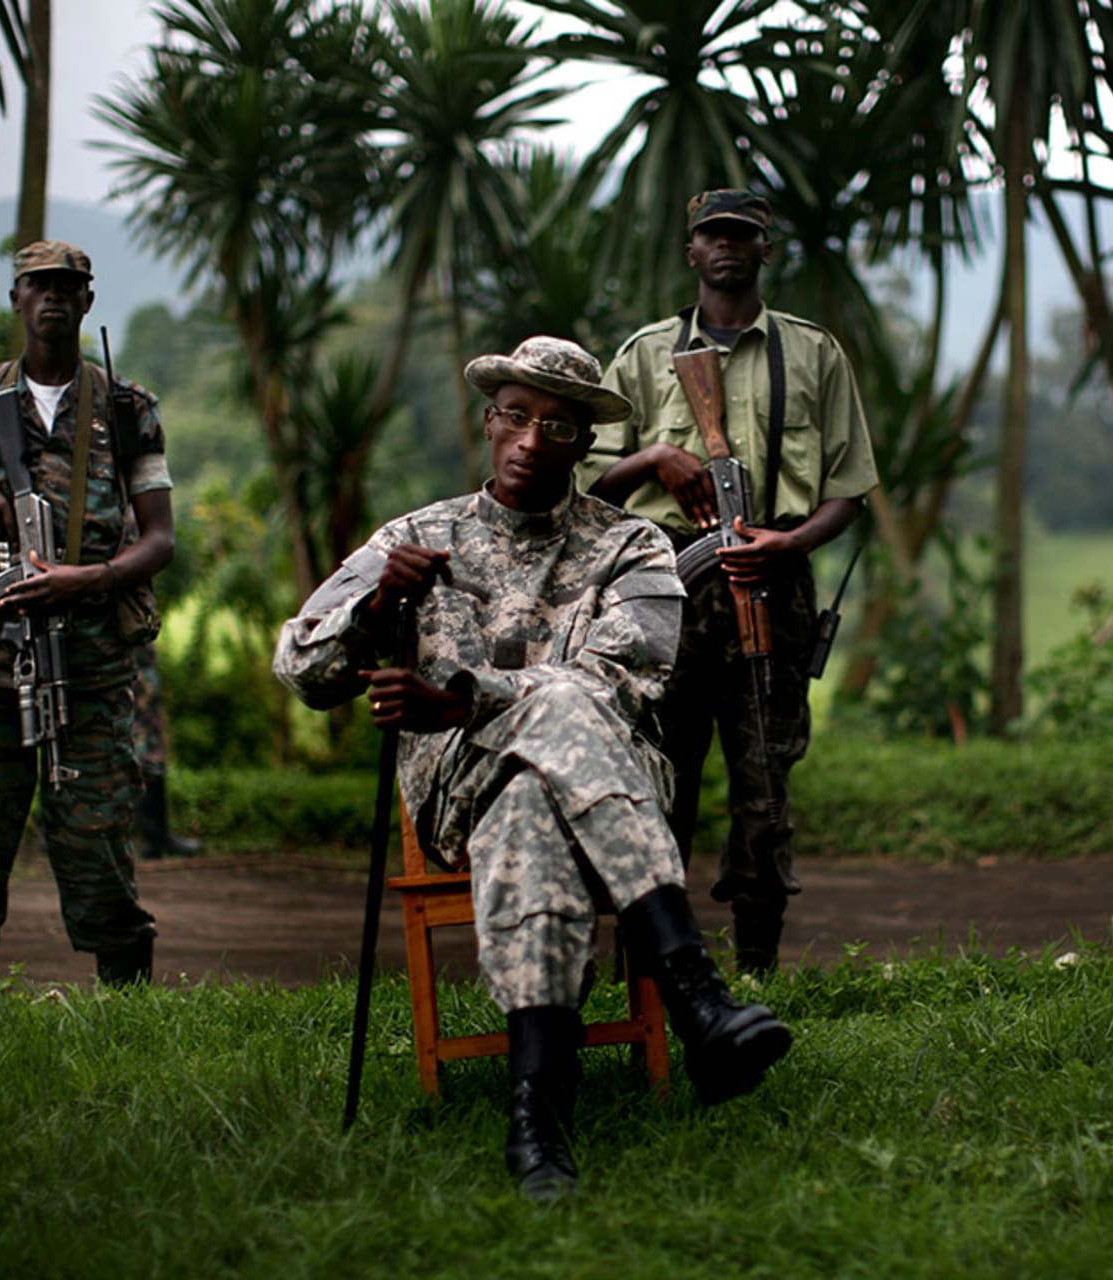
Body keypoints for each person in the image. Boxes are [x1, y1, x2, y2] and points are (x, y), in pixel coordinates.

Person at [273, 335, 792, 1203]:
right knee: (541, 724)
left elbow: (620, 684)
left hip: (608, 785)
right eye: (515, 417)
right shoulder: (416, 537)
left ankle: (538, 1118)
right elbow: (301, 670)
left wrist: (463, 696)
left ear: (584, 444)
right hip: (453, 788)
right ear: (489, 421)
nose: (529, 440)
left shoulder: (633, 547)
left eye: (555, 425)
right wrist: (380, 602)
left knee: (532, 794)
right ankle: (697, 992)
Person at [581, 189, 879, 974]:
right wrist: (653, 458)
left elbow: (849, 488)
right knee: (654, 779)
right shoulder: (645, 356)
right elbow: (587, 488)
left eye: (742, 236)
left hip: (773, 586)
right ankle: (652, 971)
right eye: (712, 235)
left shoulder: (813, 354)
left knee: (764, 784)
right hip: (662, 587)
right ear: (691, 250)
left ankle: (756, 970)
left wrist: (787, 543)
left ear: (764, 250)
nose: (727, 248)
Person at [0, 240, 175, 987]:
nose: (53, 297)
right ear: (17, 299)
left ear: (87, 303)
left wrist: (91, 579)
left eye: (68, 286)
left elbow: (159, 539)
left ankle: (128, 1008)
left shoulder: (126, 406)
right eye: (38, 285)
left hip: (88, 661)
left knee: (94, 835)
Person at [130, 641, 202, 859]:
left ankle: (156, 835)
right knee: (146, 752)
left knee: (149, 750)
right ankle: (153, 837)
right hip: (128, 666)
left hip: (136, 662)